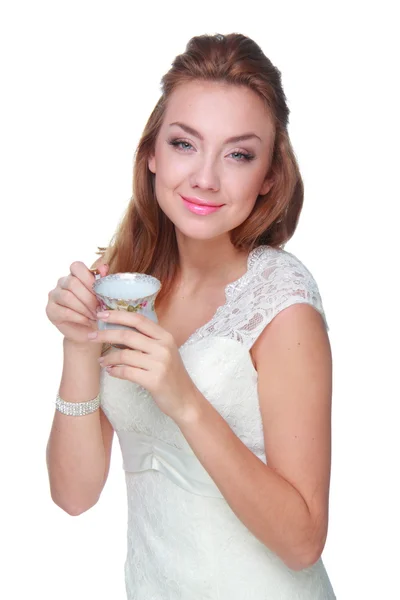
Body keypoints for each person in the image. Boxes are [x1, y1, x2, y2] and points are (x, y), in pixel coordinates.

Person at [45, 33, 336, 599]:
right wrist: (79, 345)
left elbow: (304, 542)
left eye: (238, 154)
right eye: (184, 144)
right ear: (152, 153)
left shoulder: (283, 303)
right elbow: (74, 495)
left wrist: (184, 400)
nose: (205, 177)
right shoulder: (124, 284)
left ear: (269, 177)